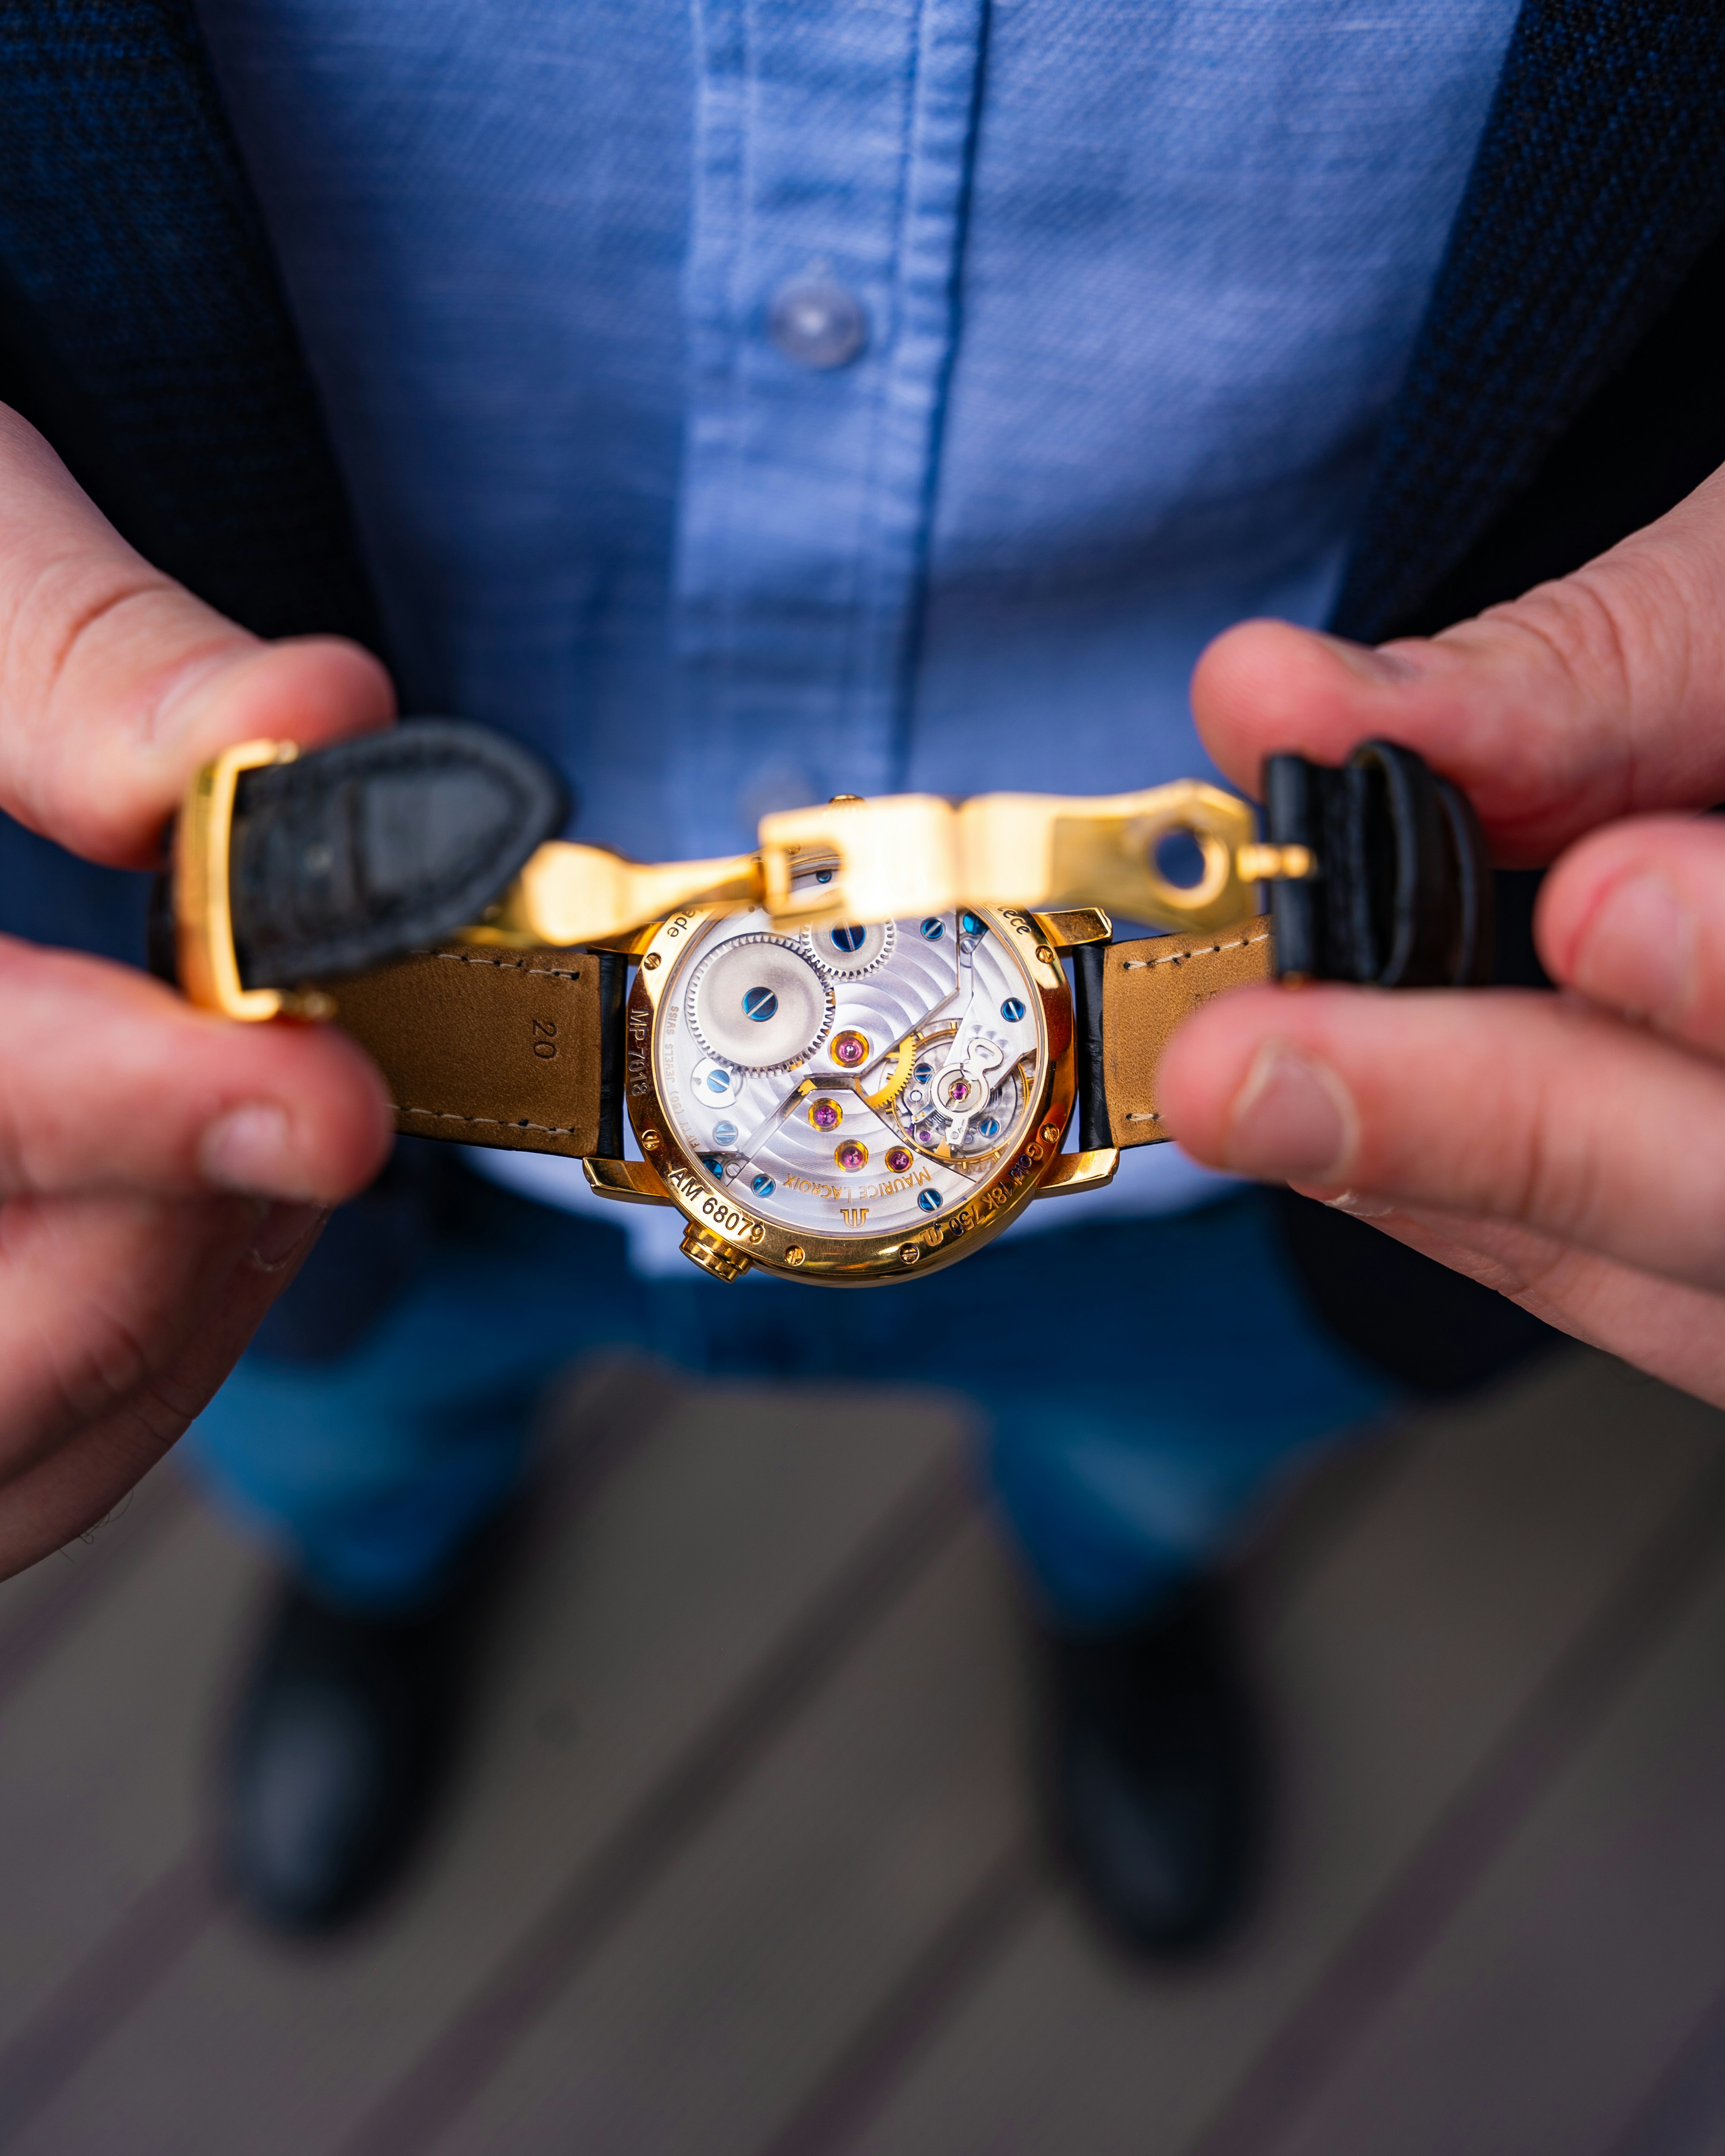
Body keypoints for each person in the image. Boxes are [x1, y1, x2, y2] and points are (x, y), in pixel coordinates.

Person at [3, 0, 1719, 1950]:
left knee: (1162, 1463)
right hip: (273, 1084)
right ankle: (383, 1571)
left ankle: (1110, 1595)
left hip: (1302, 1101)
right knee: (335, 1437)